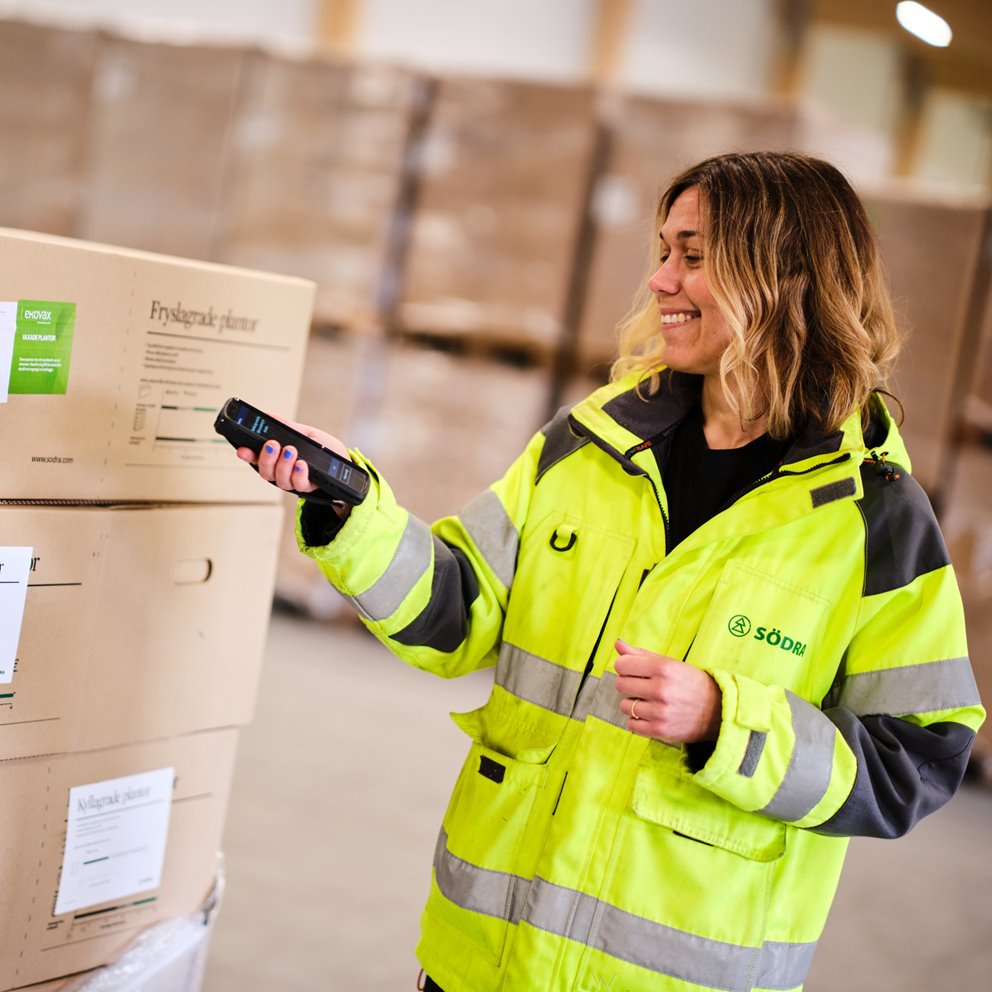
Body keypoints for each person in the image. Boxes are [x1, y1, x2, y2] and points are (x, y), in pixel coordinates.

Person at [237, 151, 985, 992]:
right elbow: (457, 611)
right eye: (663, 251)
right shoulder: (588, 446)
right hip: (482, 964)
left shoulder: (874, 518)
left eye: (693, 256)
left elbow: (918, 759)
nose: (662, 280)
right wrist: (354, 510)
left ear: (785, 276)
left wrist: (725, 722)